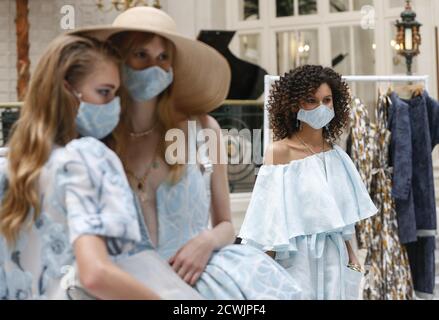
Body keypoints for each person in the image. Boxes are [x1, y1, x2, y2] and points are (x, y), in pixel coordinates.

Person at [73, 6, 301, 300]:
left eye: (162, 57)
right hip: (121, 285)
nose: (153, 66)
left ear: (172, 67)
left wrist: (206, 241)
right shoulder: (96, 139)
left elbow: (226, 225)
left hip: (200, 278)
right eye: (141, 54)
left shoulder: (204, 130)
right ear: (118, 58)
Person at [0, 35, 161, 300]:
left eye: (116, 94)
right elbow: (96, 275)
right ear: (67, 91)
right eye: (104, 92)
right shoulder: (87, 158)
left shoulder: (9, 166)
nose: (114, 106)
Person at [238, 65, 378, 300]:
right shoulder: (279, 152)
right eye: (311, 100)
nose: (321, 107)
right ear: (294, 105)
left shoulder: (337, 155)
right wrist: (258, 279)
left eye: (327, 100)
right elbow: (267, 219)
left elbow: (340, 218)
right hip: (297, 260)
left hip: (336, 260)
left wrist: (352, 258)